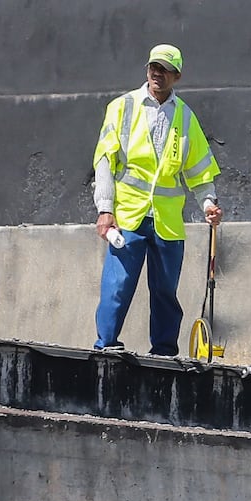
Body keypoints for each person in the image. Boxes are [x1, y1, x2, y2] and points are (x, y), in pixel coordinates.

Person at [92, 43, 225, 355]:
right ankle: (105, 346)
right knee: (118, 287)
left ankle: (164, 353)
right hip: (128, 217)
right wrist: (105, 210)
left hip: (167, 221)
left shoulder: (185, 117)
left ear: (176, 76)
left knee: (165, 291)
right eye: (153, 66)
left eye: (164, 69)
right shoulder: (122, 107)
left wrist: (208, 204)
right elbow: (103, 162)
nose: (156, 73)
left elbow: (199, 170)